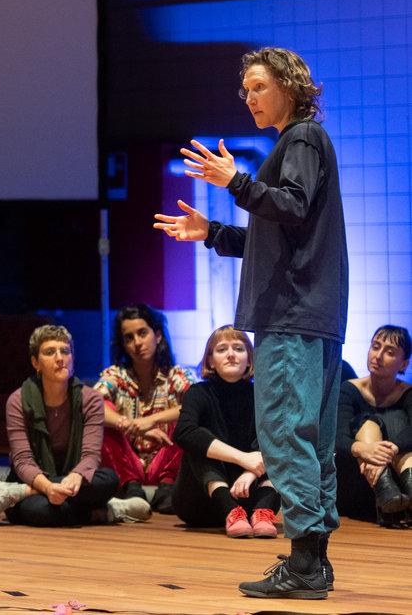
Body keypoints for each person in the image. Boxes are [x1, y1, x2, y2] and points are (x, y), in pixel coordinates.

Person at [156, 46, 347, 600]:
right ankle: (313, 562)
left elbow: (289, 205)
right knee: (306, 439)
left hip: (293, 313)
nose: (249, 97)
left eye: (258, 86)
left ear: (289, 86)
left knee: (286, 434)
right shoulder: (301, 142)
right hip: (311, 312)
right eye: (245, 90)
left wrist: (235, 180)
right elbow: (276, 233)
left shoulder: (301, 138)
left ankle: (306, 563)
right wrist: (212, 232)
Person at [0, 324, 146, 527]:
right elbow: (23, 461)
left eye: (65, 351)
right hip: (34, 478)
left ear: (72, 359)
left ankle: (15, 493)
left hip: (74, 478)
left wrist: (76, 476)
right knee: (42, 511)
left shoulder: (90, 399)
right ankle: (109, 511)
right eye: (50, 352)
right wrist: (47, 487)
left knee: (109, 480)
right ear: (36, 362)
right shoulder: (18, 400)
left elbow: (90, 456)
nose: (60, 358)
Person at [170, 326, 281, 537]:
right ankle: (230, 511)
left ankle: (264, 511)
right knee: (197, 440)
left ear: (249, 358)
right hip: (201, 503)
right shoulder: (198, 393)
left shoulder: (264, 396)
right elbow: (183, 432)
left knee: (284, 443)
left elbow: (277, 439)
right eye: (222, 349)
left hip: (251, 496)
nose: (230, 354)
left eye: (238, 348)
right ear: (211, 361)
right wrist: (242, 459)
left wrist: (252, 471)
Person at [95, 303, 193, 511]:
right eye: (129, 338)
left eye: (142, 333)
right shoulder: (116, 375)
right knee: (102, 413)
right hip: (128, 466)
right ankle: (132, 489)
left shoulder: (175, 374)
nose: (137, 343)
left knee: (190, 419)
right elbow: (92, 406)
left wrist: (151, 420)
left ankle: (166, 489)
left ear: (157, 335)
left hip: (166, 464)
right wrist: (130, 425)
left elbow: (198, 404)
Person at [336, 325, 412, 524]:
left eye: (389, 352)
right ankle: (385, 490)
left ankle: (394, 495)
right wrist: (363, 449)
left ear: (403, 364)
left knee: (398, 425)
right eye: (375, 347)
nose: (378, 356)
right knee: (367, 424)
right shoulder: (349, 389)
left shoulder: (408, 393)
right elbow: (338, 437)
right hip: (357, 480)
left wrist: (391, 448)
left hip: (398, 476)